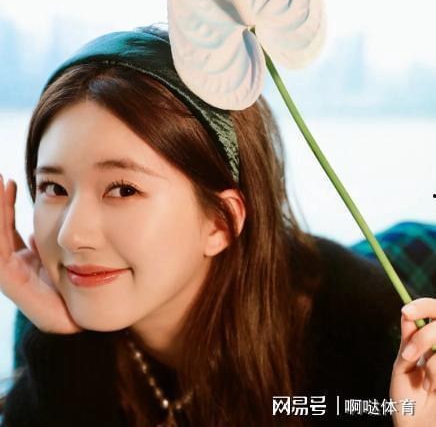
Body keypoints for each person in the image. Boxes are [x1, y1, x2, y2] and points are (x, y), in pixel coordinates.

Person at [0, 24, 435, 427]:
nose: (71, 235)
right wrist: (64, 344)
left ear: (220, 221)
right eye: (54, 187)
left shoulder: (365, 338)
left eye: (123, 189)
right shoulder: (60, 305)